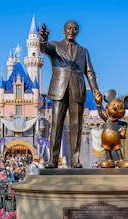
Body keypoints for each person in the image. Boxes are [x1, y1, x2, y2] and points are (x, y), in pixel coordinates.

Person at [40, 20, 102, 168]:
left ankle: (75, 160)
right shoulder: (55, 46)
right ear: (64, 30)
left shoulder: (83, 51)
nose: (71, 30)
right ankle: (53, 160)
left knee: (76, 125)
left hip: (77, 89)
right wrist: (43, 39)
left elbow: (90, 72)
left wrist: (95, 90)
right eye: (69, 28)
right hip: (59, 88)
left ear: (77, 32)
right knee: (56, 124)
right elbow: (44, 48)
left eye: (75, 29)